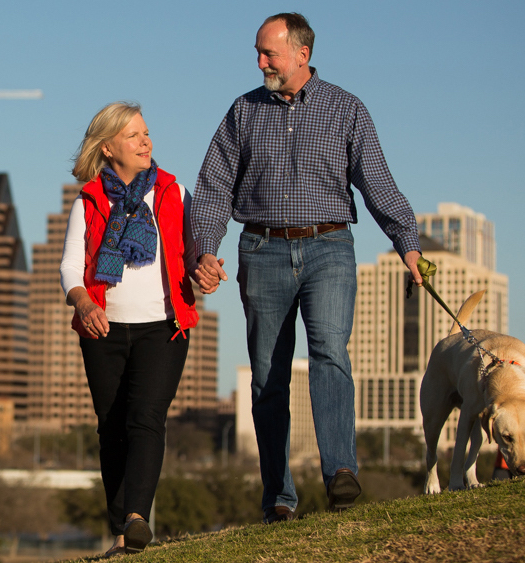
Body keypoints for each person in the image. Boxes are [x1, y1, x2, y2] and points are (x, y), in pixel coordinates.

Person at [191, 13, 424, 521]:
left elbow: (378, 183)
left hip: (329, 248)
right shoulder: (243, 111)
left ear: (302, 53)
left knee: (330, 352)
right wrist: (205, 250)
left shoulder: (346, 109)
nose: (260, 63)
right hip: (262, 250)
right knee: (267, 377)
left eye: (269, 53)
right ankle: (278, 495)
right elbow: (211, 189)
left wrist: (408, 243)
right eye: (257, 52)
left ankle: (341, 472)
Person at [61, 102, 211, 557]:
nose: (146, 142)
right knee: (112, 427)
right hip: (103, 331)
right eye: (134, 136)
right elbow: (70, 268)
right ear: (108, 148)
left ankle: (138, 518)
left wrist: (204, 266)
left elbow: (194, 249)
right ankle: (121, 534)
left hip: (162, 328)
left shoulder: (172, 192)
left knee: (146, 417)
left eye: (147, 133)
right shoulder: (89, 199)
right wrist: (84, 301)